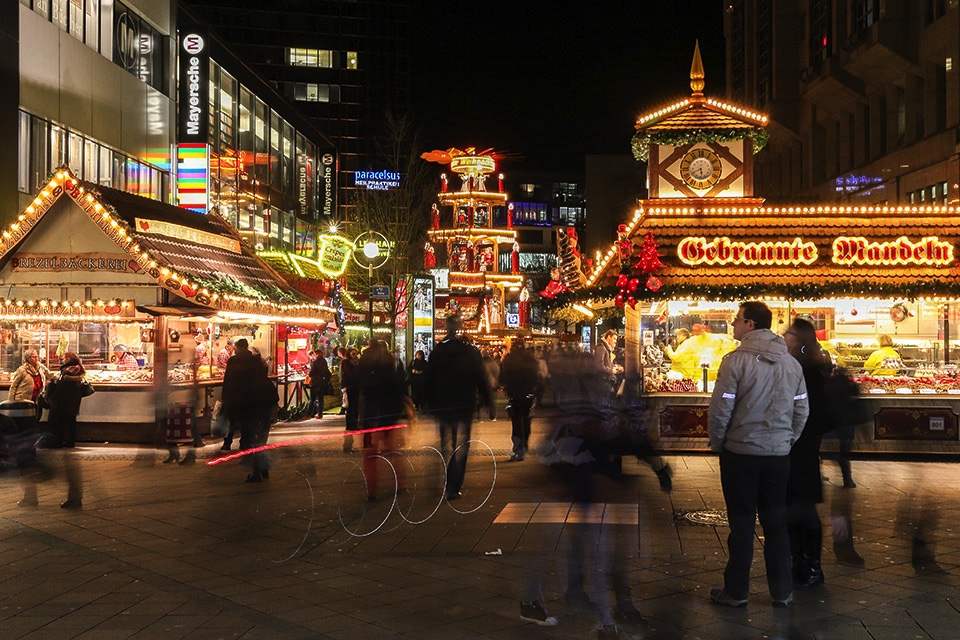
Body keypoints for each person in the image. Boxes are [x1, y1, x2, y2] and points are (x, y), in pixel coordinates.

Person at [708, 301, 809, 608]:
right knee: (776, 523)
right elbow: (801, 408)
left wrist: (719, 442)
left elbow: (722, 406)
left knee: (741, 524)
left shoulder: (735, 361)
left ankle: (737, 591)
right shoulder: (792, 364)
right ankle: (782, 591)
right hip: (778, 456)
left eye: (737, 320)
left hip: (741, 453)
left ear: (750, 324)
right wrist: (787, 440)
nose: (733, 324)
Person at [783, 318, 833, 589]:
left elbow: (813, 412)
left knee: (801, 508)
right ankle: (800, 562)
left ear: (799, 339)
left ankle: (810, 565)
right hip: (799, 445)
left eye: (788, 333)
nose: (784, 336)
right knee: (794, 506)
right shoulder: (803, 366)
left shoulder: (808, 371)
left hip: (801, 447)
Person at [427, 315, 491, 500]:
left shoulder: (437, 352)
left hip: (443, 404)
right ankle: (454, 485)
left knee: (446, 443)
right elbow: (480, 377)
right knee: (462, 445)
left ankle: (444, 478)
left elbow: (429, 380)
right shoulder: (469, 352)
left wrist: (427, 402)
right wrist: (487, 400)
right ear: (460, 327)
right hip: (464, 404)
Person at [220, 338, 277, 482]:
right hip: (265, 401)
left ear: (237, 348)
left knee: (249, 438)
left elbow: (229, 382)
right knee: (261, 438)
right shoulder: (257, 361)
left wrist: (227, 402)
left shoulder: (234, 362)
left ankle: (257, 471)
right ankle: (262, 468)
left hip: (248, 404)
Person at [358, 340, 408, 501]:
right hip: (388, 414)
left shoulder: (364, 364)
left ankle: (371, 490)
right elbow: (399, 387)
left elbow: (357, 385)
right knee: (394, 450)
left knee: (370, 454)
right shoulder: (390, 365)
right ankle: (399, 484)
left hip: (370, 415)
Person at [499, 340, 539, 462]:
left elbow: (502, 377)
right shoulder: (531, 360)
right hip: (528, 393)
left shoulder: (509, 360)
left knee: (516, 421)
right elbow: (536, 377)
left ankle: (518, 448)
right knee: (526, 419)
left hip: (514, 394)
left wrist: (504, 385)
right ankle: (525, 443)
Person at [8, 348, 53, 421]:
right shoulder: (22, 370)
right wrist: (11, 402)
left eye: (37, 356)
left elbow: (51, 375)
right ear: (28, 358)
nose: (36, 359)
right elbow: (13, 386)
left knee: (36, 419)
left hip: (37, 400)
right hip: (23, 400)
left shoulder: (40, 367)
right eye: (34, 357)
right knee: (24, 421)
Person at [341, 347, 361, 453]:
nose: (355, 355)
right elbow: (351, 374)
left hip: (356, 387)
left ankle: (353, 423)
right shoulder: (346, 363)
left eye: (356, 354)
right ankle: (350, 424)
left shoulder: (356, 363)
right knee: (350, 407)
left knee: (355, 406)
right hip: (349, 387)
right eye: (353, 354)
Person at [594, 329, 621, 399]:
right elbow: (599, 366)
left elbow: (606, 363)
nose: (615, 341)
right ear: (609, 337)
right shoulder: (601, 348)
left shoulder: (606, 348)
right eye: (614, 338)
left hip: (606, 381)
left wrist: (615, 367)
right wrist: (611, 370)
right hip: (603, 382)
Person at [308, 349, 331, 419]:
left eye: (314, 354)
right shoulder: (324, 361)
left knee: (312, 399)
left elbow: (311, 373)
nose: (313, 355)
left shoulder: (315, 362)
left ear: (317, 354)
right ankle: (320, 414)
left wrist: (310, 374)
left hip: (315, 382)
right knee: (321, 399)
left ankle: (309, 414)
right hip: (323, 383)